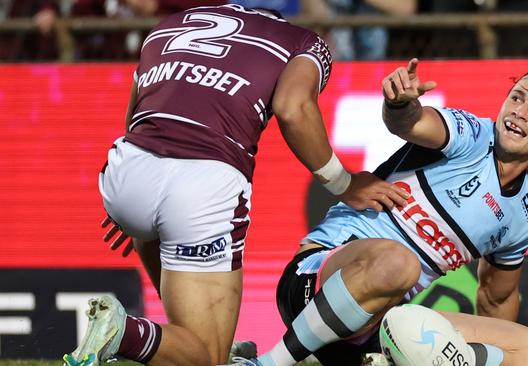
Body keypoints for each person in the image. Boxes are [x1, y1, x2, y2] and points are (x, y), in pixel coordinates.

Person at [62, 4, 408, 366]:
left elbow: (139, 115)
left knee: (190, 319)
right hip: (201, 183)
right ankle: (125, 332)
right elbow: (293, 108)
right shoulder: (302, 41)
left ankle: (185, 337)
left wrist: (130, 204)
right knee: (208, 360)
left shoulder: (170, 24)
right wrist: (345, 184)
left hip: (128, 167)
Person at [232, 59, 528, 366]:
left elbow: (497, 298)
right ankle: (265, 364)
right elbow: (411, 123)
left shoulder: (525, 217)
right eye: (517, 97)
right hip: (312, 283)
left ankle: (323, 357)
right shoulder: (472, 135)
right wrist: (399, 104)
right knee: (401, 264)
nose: (519, 112)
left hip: (379, 327)